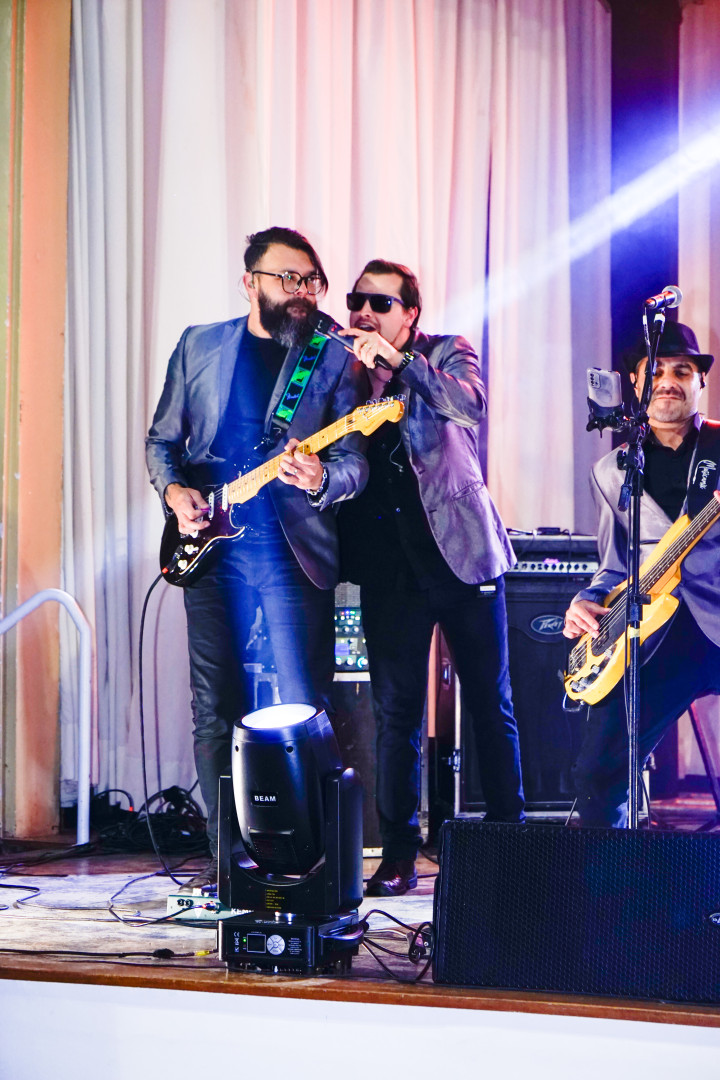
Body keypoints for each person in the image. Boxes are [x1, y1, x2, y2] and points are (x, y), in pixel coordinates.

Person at [146, 227, 368, 888]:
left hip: (291, 548)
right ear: (250, 282)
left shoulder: (332, 356)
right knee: (213, 705)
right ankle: (227, 861)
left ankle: (314, 859)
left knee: (304, 704)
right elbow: (162, 441)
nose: (302, 291)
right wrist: (176, 494)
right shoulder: (198, 344)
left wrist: (321, 478)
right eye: (287, 278)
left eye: (311, 280)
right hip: (211, 545)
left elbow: (355, 462)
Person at [337, 259, 525, 896]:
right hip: (389, 566)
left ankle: (507, 843)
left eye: (381, 303)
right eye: (357, 300)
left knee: (490, 701)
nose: (365, 312)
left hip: (460, 552)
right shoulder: (343, 370)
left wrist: (400, 362)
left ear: (410, 312)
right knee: (396, 714)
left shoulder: (446, 352)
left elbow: (468, 406)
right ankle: (399, 853)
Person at [563, 320, 720, 827]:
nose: (667, 381)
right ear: (635, 383)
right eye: (655, 371)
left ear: (701, 382)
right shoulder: (612, 470)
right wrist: (587, 601)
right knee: (598, 773)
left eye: (682, 371)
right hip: (656, 632)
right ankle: (616, 874)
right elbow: (613, 564)